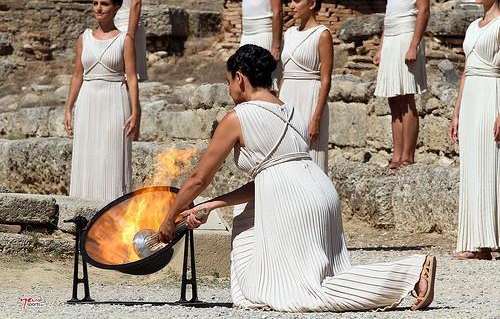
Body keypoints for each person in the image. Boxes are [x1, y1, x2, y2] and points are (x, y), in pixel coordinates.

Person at [158, 45, 436, 312]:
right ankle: (405, 274)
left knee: (305, 294)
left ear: (240, 78)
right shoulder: (292, 112)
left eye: (229, 81)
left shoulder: (237, 117)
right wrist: (210, 206)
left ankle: (411, 270)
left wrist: (170, 217)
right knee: (255, 293)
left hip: (293, 201)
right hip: (318, 190)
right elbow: (266, 182)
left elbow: (198, 179)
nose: (229, 90)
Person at [64, 0, 140, 202]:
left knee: (112, 157)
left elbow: (132, 78)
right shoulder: (84, 38)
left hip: (114, 99)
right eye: (96, 3)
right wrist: (69, 107)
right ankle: (82, 212)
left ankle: (112, 211)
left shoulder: (125, 40)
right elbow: (77, 75)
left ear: (116, 7)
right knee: (86, 156)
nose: (99, 8)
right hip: (88, 101)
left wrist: (135, 112)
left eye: (104, 4)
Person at [449, 0, 499, 260]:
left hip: (493, 94)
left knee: (492, 164)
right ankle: (478, 242)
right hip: (471, 99)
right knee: (473, 168)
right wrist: (457, 112)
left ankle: (492, 241)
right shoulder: (472, 27)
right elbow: (466, 69)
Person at [373, 0, 429, 169]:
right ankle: (396, 155)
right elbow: (390, 11)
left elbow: (424, 9)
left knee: (406, 97)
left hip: (407, 33)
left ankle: (407, 156)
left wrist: (414, 45)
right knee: (393, 99)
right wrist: (381, 47)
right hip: (391, 34)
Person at [279, 0, 332, 172]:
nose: (291, 6)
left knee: (310, 156)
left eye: (296, 1)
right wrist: (277, 106)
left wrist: (316, 118)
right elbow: (285, 74)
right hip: (288, 98)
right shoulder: (289, 33)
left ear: (311, 4)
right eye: (290, 0)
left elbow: (326, 79)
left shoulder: (322, 34)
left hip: (310, 96)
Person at [240, 0, 283, 90]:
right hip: (246, 34)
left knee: (266, 85)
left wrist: (276, 46)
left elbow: (278, 12)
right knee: (244, 82)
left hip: (264, 33)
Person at [113, 0, 148, 81]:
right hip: (114, 23)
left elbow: (136, 2)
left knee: (129, 76)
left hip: (128, 24)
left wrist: (130, 35)